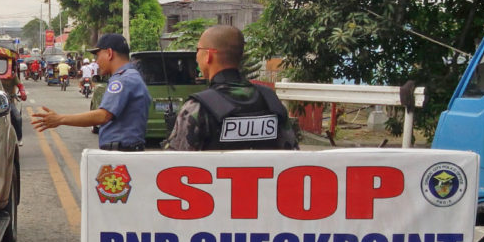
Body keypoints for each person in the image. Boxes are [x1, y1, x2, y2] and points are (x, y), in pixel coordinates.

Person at [163, 24, 298, 151]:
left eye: (198, 50)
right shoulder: (270, 100)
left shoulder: (197, 107)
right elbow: (292, 155)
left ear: (208, 55)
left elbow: (174, 164)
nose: (196, 56)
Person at [31, 33, 151, 151]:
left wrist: (60, 119)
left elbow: (102, 115)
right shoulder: (131, 76)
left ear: (109, 53)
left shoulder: (123, 80)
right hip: (123, 151)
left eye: (98, 56)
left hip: (121, 154)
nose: (97, 62)